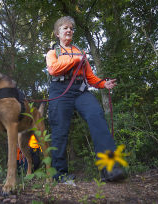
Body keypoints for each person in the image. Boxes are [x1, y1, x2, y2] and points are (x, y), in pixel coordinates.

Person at [46, 16, 125, 182]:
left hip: (80, 90)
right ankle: (59, 174)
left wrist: (103, 84)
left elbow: (90, 77)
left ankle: (110, 168)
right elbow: (53, 69)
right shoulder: (53, 53)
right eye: (65, 28)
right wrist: (74, 59)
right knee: (59, 130)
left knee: (97, 116)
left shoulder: (80, 52)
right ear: (57, 33)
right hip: (59, 91)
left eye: (71, 28)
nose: (69, 30)